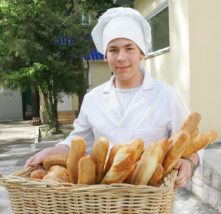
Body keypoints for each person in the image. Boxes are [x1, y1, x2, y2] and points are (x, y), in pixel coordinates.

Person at [25, 7, 200, 188]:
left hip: (150, 203)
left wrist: (189, 163)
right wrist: (51, 151)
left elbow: (190, 144)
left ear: (142, 53)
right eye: (113, 50)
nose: (121, 57)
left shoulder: (167, 96)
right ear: (106, 56)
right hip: (103, 203)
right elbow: (77, 141)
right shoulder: (93, 98)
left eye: (129, 48)